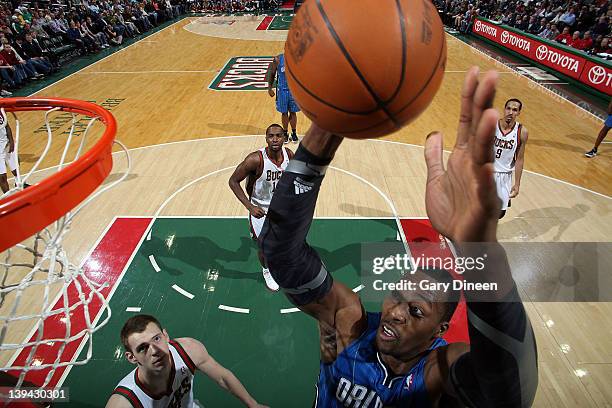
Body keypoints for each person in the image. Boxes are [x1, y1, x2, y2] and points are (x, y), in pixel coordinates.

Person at [259, 68, 538, 407]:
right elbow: (281, 255)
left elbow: (510, 394)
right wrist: (326, 129)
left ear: (440, 330)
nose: (394, 313)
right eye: (396, 296)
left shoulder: (439, 371)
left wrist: (477, 250)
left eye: (417, 312)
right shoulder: (349, 326)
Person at [106, 314, 268, 408]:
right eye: (143, 348)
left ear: (166, 336)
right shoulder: (124, 402)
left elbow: (222, 377)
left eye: (157, 339)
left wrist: (253, 405)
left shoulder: (188, 350)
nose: (155, 350)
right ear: (131, 357)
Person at [228, 124, 293, 291]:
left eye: (278, 135)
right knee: (264, 247)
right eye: (271, 136)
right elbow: (233, 181)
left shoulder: (289, 155)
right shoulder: (255, 159)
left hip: (282, 209)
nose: (275, 139)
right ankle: (267, 271)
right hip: (260, 211)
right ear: (266, 138)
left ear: (284, 138)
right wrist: (250, 206)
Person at [494, 98, 528, 219]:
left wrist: (517, 184)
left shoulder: (521, 132)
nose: (510, 112)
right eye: (508, 108)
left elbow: (519, 159)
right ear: (504, 109)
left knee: (499, 213)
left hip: (504, 176)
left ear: (518, 113)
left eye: (515, 110)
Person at [267, 54, 299, 144]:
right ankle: (285, 133)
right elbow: (272, 74)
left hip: (294, 90)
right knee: (284, 112)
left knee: (293, 112)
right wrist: (269, 88)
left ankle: (294, 133)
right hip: (282, 91)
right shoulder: (277, 59)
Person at [0, 114, 18, 193]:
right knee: (2, 176)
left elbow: (7, 125)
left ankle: (19, 183)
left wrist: (11, 141)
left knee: (16, 169)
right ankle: (7, 197)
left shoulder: (1, 110)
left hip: (6, 144)